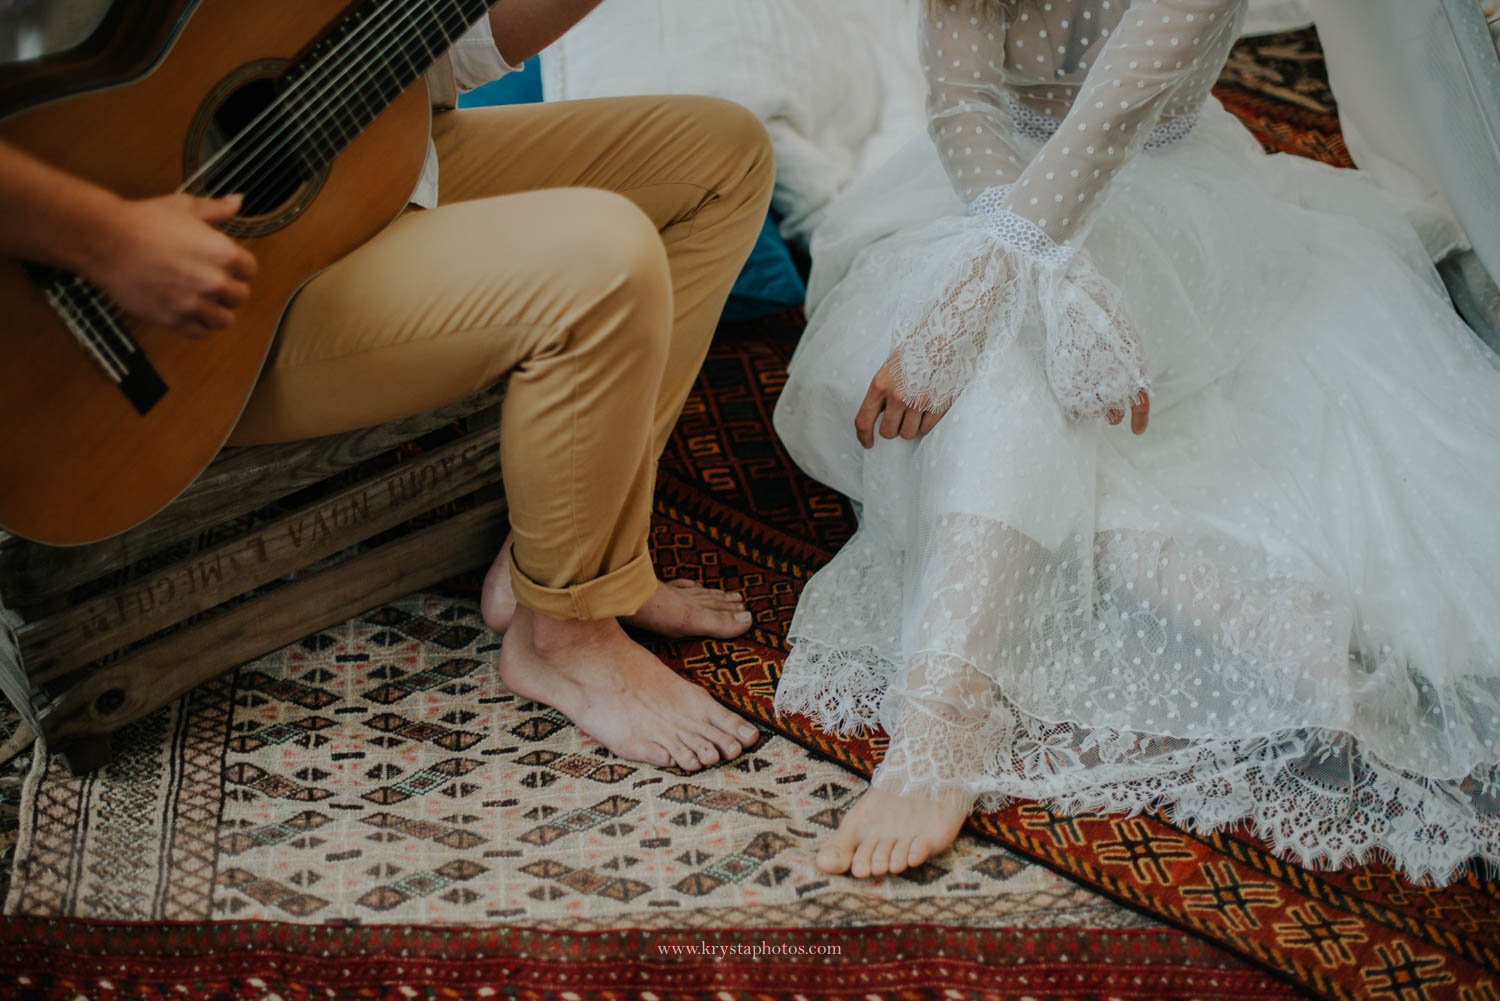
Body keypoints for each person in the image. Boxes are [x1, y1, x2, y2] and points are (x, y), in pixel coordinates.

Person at [772, 0, 1500, 882]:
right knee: (993, 356)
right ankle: (1210, 605)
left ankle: (943, 726)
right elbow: (964, 100)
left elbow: (1116, 112)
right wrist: (1044, 272)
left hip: (1167, 188)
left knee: (991, 346)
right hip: (983, 183)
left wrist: (995, 288)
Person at [0, 0, 774, 774]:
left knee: (725, 156)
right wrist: (109, 238)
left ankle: (581, 557)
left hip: (368, 167)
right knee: (606, 261)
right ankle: (565, 640)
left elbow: (433, 49)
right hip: (159, 323)